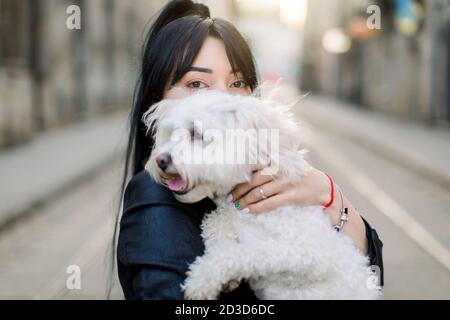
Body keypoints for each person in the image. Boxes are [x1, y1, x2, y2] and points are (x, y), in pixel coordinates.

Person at [114, 0, 383, 300]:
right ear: (158, 98)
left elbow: (368, 273)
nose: (221, 101)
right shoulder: (156, 208)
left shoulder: (258, 179)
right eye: (197, 84)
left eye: (237, 82)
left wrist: (333, 200)